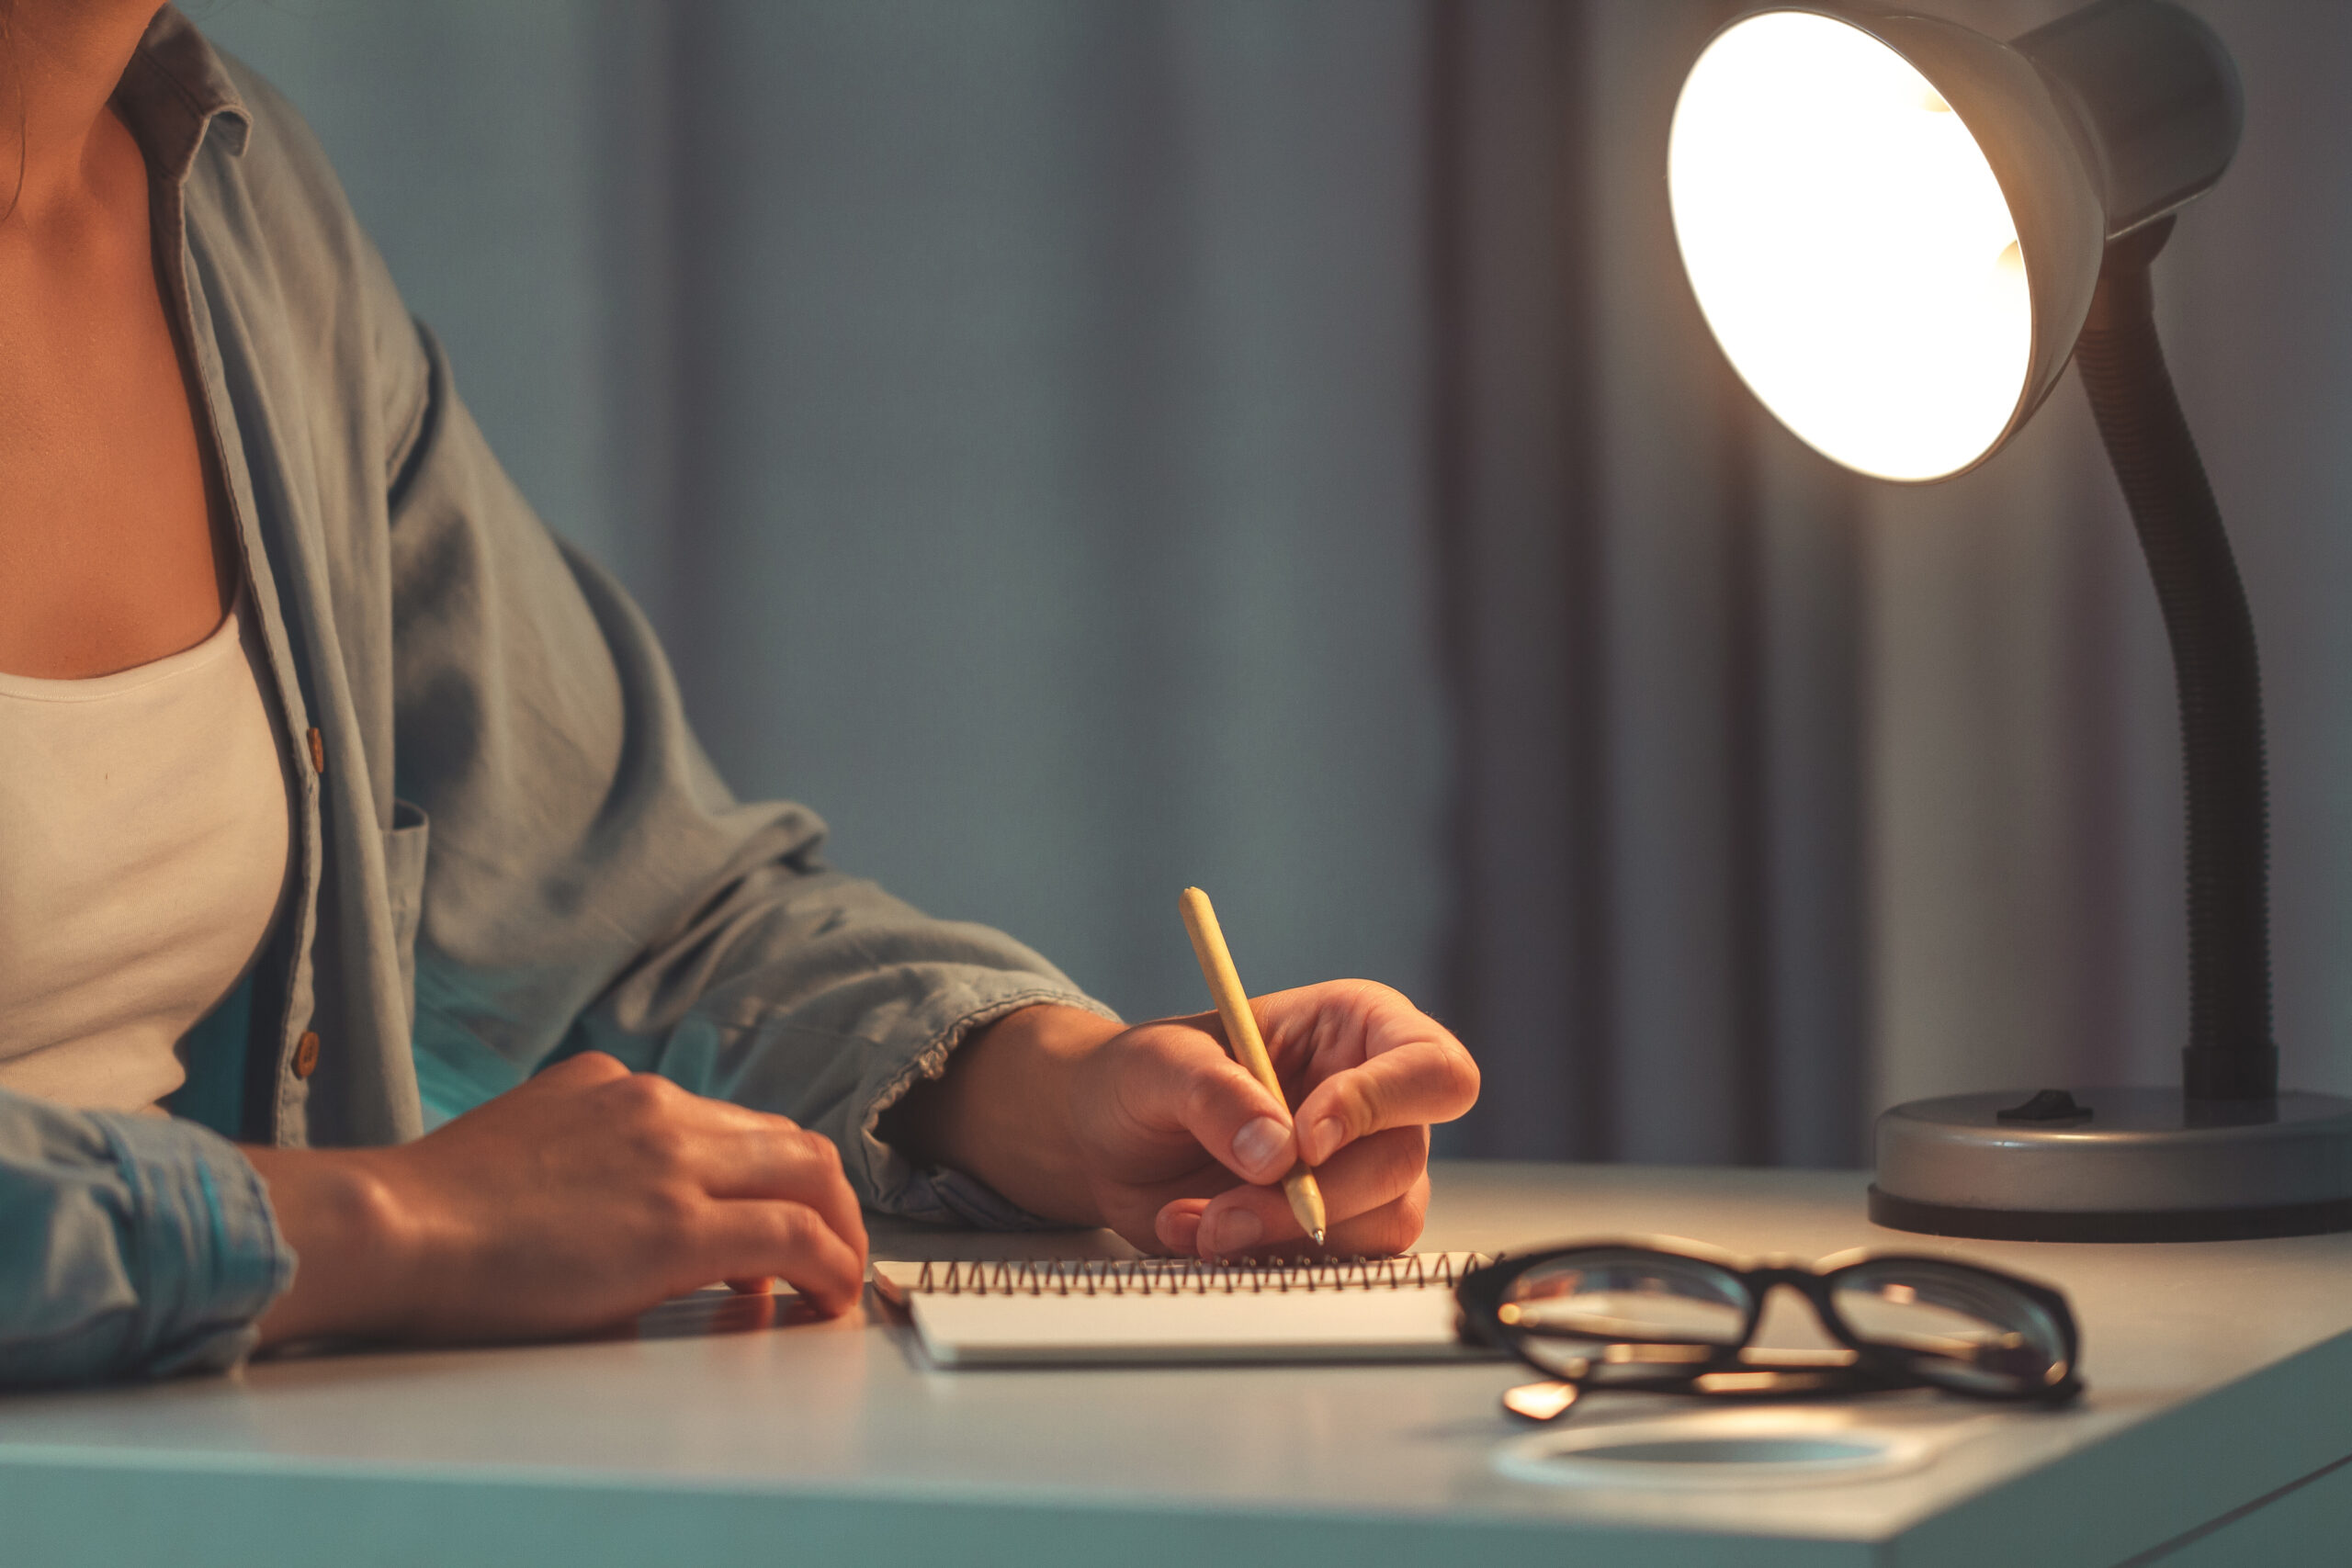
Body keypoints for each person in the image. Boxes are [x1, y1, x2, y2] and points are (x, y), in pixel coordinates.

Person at [0, 2, 1479, 1388]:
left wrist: (1074, 1102)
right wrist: (388, 1222)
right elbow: (419, 1201)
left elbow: (630, 913)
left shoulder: (240, 214)